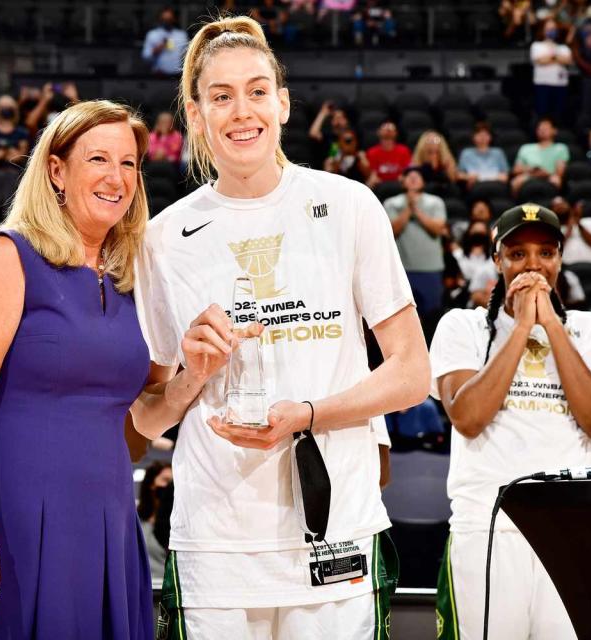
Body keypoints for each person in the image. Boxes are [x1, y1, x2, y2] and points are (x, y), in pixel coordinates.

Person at [135, 17, 431, 638]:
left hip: (335, 526)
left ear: (284, 102)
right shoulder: (163, 239)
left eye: (257, 90)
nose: (242, 111)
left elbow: (411, 374)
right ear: (195, 115)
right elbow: (147, 417)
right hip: (216, 541)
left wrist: (310, 413)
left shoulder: (349, 206)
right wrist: (192, 375)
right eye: (220, 96)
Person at [0, 100, 157, 638]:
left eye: (129, 164)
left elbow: (148, 412)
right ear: (56, 170)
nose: (116, 178)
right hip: (14, 517)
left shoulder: (133, 276)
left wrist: (200, 370)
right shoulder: (10, 255)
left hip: (108, 518)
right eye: (98, 159)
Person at [430, 204, 591, 640]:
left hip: (570, 530)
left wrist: (551, 325)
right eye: (517, 254)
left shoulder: (590, 330)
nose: (532, 265)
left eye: (545, 253)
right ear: (497, 261)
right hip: (489, 527)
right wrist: (520, 328)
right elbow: (468, 417)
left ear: (559, 260)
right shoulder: (463, 326)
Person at [384, 166, 448, 316]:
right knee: (402, 315)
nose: (413, 179)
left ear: (423, 182)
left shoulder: (435, 202)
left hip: (430, 268)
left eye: (417, 176)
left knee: (432, 314)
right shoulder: (391, 203)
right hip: (401, 269)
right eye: (409, 176)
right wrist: (408, 208)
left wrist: (416, 211)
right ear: (402, 181)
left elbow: (438, 229)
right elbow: (392, 231)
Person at [0, 95, 30, 230]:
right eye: (3, 107)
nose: (6, 110)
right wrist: (8, 151)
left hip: (12, 174)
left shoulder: (21, 132)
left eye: (9, 107)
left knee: (9, 210)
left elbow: (19, 156)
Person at [511, 117, 569, 194]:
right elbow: (516, 169)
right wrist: (531, 170)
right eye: (540, 128)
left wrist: (545, 173)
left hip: (549, 176)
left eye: (545, 128)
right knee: (515, 182)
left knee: (556, 180)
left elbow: (560, 171)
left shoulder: (560, 148)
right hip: (529, 175)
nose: (542, 131)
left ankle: (554, 202)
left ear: (554, 131)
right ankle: (519, 205)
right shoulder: (526, 148)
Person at [137, 461, 173, 586]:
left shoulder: (176, 524)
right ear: (151, 484)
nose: (169, 487)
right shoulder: (135, 519)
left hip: (166, 592)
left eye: (172, 483)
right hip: (140, 590)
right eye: (165, 480)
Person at [531, 18, 572, 122]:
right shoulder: (536, 46)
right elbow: (540, 60)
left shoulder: (564, 47)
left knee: (559, 115)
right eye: (548, 28)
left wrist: (551, 57)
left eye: (553, 28)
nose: (551, 31)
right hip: (543, 85)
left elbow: (568, 61)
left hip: (560, 85)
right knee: (542, 115)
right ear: (543, 30)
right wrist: (556, 58)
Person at [550, 196, 591, 266]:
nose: (560, 207)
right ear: (551, 211)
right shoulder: (551, 229)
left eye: (562, 204)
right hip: (567, 268)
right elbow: (553, 252)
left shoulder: (590, 221)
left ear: (570, 206)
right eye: (556, 206)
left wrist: (579, 225)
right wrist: (569, 229)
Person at [457, 122, 510, 188]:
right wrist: (468, 177)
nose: (482, 137)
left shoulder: (498, 152)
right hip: (476, 184)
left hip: (496, 183)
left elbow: (505, 175)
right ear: (473, 137)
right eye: (479, 134)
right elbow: (459, 174)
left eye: (485, 135)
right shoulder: (466, 153)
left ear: (490, 137)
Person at [142, 7, 189, 75]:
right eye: (164, 19)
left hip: (178, 76)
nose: (167, 22)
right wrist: (155, 50)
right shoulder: (152, 34)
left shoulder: (181, 35)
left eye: (169, 19)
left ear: (174, 19)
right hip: (158, 75)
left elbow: (187, 55)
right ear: (160, 19)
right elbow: (145, 57)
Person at [364, 121, 412, 187]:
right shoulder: (372, 152)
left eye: (391, 129)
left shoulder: (403, 150)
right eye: (385, 129)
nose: (388, 131)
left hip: (399, 185)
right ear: (378, 132)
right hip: (379, 185)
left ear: (396, 133)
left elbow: (406, 172)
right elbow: (372, 173)